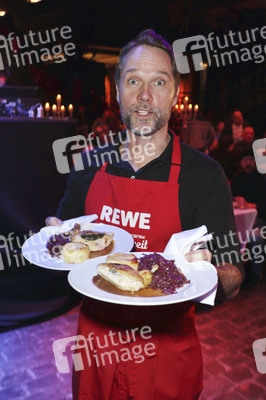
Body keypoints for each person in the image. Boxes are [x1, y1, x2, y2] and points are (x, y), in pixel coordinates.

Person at [46, 30, 243, 400]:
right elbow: (63, 235)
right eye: (133, 80)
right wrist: (55, 237)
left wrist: (210, 270)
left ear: (175, 94)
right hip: (95, 351)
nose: (145, 96)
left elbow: (234, 280)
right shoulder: (89, 165)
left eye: (159, 82)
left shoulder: (204, 175)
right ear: (117, 90)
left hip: (166, 357)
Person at [231, 147, 266, 285]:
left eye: (251, 160)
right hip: (241, 221)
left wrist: (252, 205)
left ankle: (256, 275)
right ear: (240, 163)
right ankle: (235, 275)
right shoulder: (237, 179)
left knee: (255, 237)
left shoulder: (262, 180)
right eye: (245, 160)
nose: (249, 163)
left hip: (259, 221)